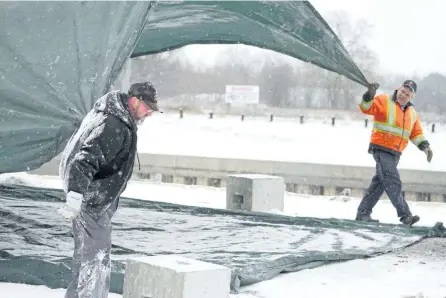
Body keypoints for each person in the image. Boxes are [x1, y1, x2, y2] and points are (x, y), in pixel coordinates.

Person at [57, 81, 160, 298]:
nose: (149, 114)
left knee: (87, 256)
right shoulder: (114, 125)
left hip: (96, 197)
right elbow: (82, 161)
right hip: (92, 201)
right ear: (135, 100)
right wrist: (76, 195)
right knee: (95, 259)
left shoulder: (118, 117)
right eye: (148, 108)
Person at [355, 80, 433, 226]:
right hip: (381, 149)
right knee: (392, 181)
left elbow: (416, 134)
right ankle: (405, 215)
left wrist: (425, 147)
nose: (403, 95)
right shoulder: (384, 100)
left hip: (395, 154)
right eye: (402, 91)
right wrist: (369, 94)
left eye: (407, 94)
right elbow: (366, 108)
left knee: (379, 184)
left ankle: (363, 213)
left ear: (411, 97)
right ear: (398, 89)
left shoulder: (412, 114)